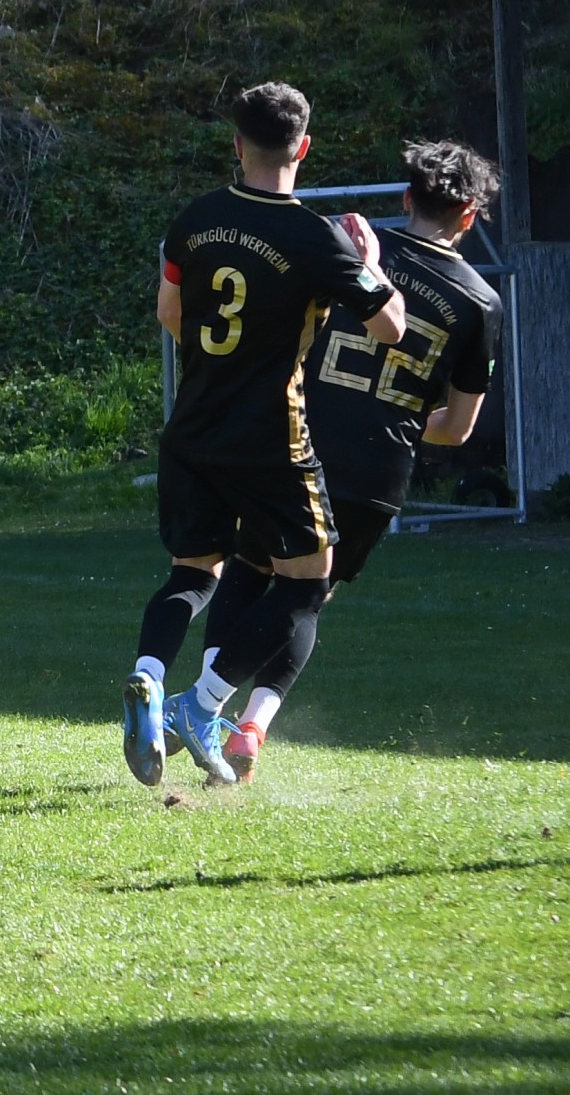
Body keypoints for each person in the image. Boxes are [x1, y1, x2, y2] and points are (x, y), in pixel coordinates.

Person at [123, 81, 405, 788]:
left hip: (193, 428)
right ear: (303, 148)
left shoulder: (194, 220)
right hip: (272, 440)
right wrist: (366, 258)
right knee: (310, 582)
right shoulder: (316, 238)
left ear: (236, 144)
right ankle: (203, 704)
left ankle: (148, 678)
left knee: (193, 574)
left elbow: (169, 311)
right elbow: (390, 327)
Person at [195, 140, 504, 781]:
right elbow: (457, 428)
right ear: (470, 215)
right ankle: (252, 725)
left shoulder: (352, 247)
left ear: (406, 199)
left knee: (252, 573)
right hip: (377, 474)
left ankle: (202, 710)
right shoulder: (480, 302)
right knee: (308, 595)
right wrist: (396, 427)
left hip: (295, 441)